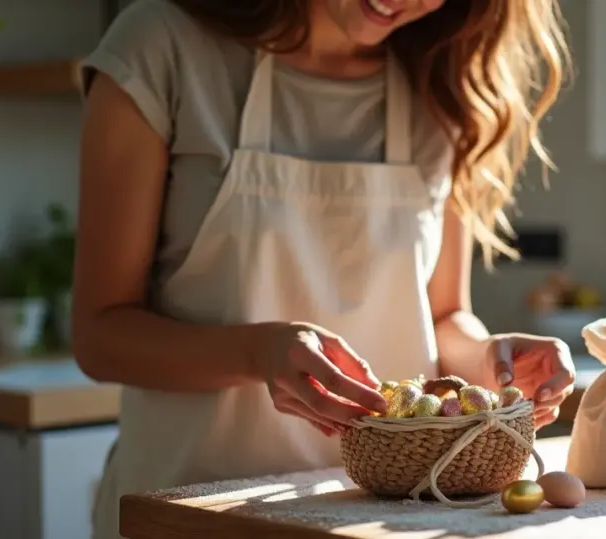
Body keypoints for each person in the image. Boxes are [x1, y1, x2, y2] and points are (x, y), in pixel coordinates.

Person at [73, 0, 574, 537]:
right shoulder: (161, 49)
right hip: (187, 516)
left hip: (380, 522)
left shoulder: (439, 90)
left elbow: (443, 314)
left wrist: (487, 359)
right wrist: (258, 353)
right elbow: (101, 333)